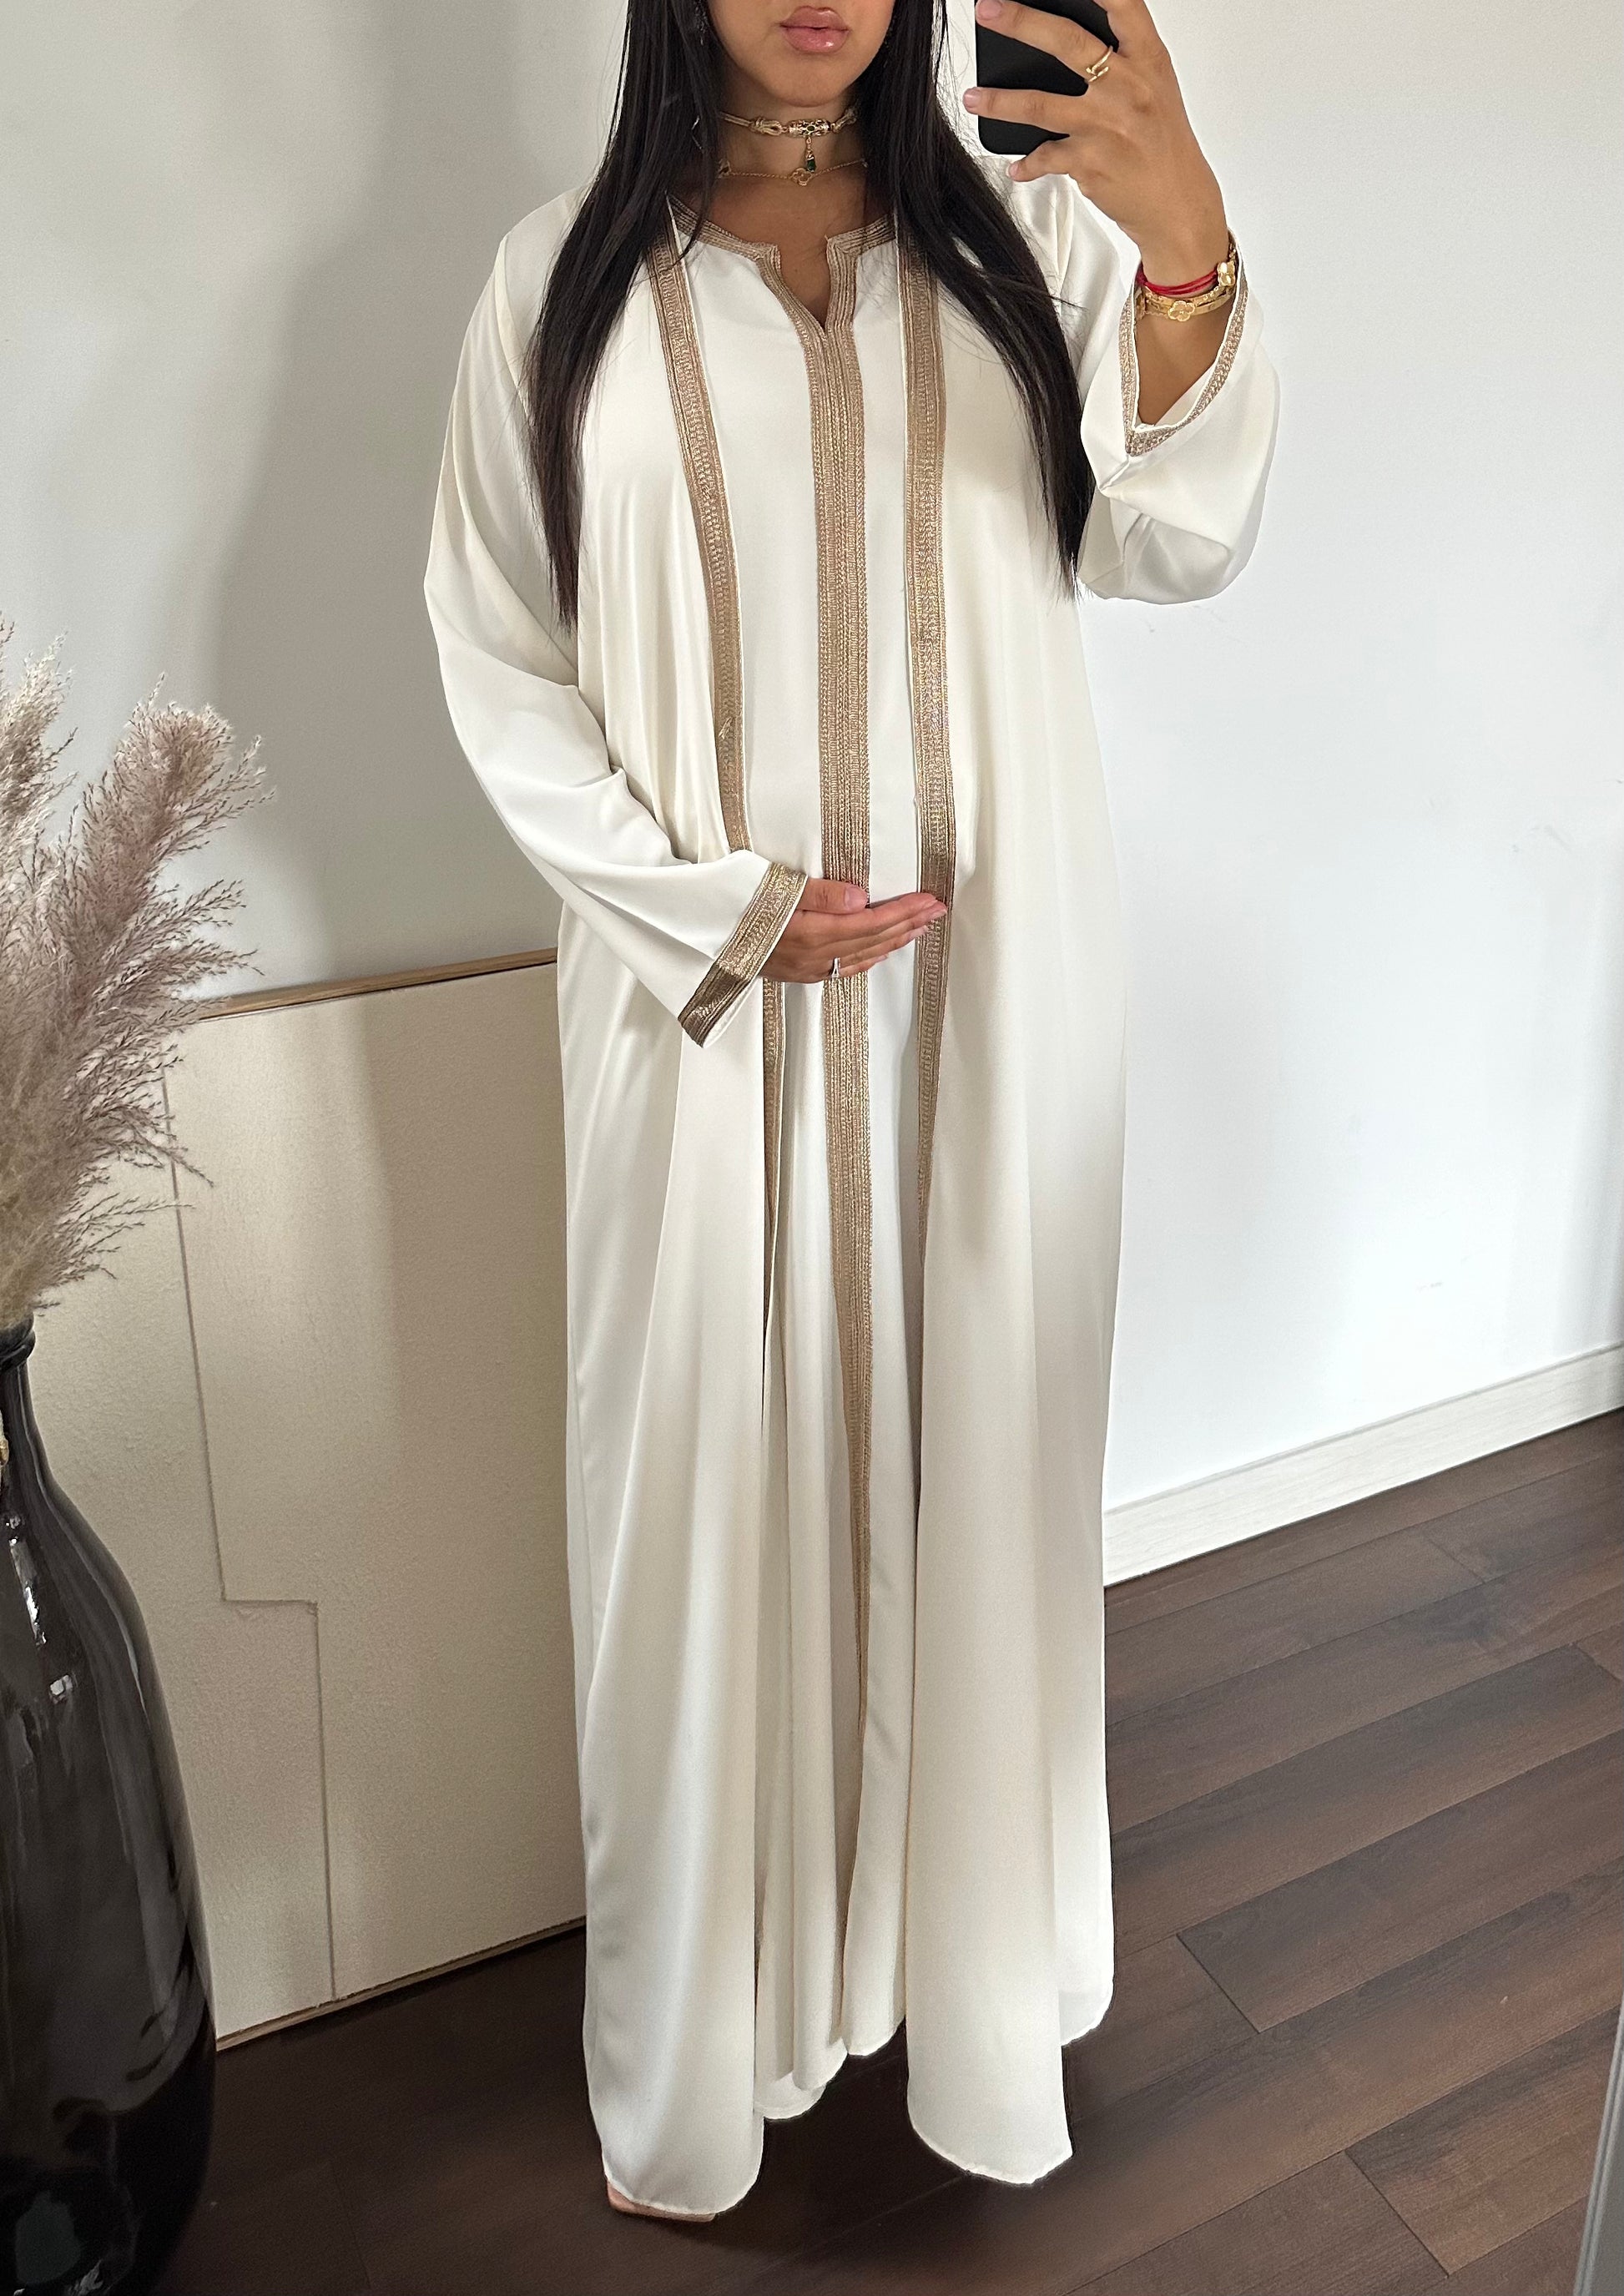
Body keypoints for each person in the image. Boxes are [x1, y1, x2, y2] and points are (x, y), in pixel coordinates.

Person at [423, 0, 1278, 2225]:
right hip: (696, 1024)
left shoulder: (1025, 248)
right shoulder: (558, 289)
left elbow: (1174, 540)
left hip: (991, 1008)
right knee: (704, 1494)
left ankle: (967, 1982)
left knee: (978, 1462)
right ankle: (712, 2041)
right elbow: (499, 656)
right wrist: (711, 911)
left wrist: (1182, 244)